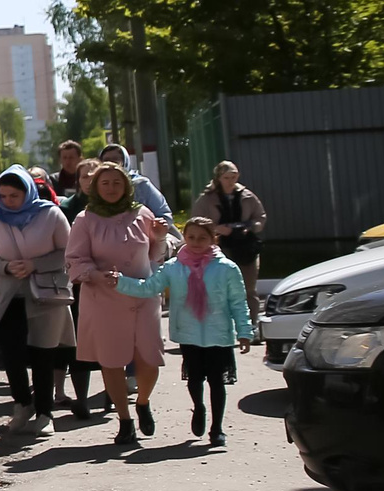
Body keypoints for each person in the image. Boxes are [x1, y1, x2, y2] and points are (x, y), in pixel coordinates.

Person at [111, 217, 255, 447]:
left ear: (213, 239)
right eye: (191, 237)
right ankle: (198, 407)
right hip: (189, 333)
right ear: (184, 238)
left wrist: (245, 331)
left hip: (219, 334)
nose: (196, 242)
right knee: (195, 379)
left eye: (202, 238)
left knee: (217, 382)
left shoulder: (226, 268)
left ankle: (217, 429)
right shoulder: (174, 267)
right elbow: (149, 287)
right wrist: (120, 282)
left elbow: (238, 302)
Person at [65, 161, 171, 450]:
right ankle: (124, 420)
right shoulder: (85, 219)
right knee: (111, 360)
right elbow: (75, 259)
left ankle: (143, 401)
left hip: (142, 294)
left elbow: (156, 254)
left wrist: (161, 236)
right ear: (95, 188)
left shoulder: (142, 213)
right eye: (105, 183)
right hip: (104, 298)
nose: (111, 188)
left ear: (126, 186)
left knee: (149, 357)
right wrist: (96, 275)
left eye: (117, 182)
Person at [0, 168, 75, 426]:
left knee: (43, 353)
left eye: (14, 195)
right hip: (10, 295)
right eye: (3, 196)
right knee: (8, 348)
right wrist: (7, 267)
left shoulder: (51, 214)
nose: (9, 201)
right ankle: (22, 403)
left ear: (27, 192)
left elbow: (68, 252)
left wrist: (35, 264)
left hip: (46, 294)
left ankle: (45, 414)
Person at [199, 161, 269, 324]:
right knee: (221, 289)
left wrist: (251, 227)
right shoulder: (207, 198)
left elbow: (260, 216)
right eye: (226, 177)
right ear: (218, 178)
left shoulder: (247, 196)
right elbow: (197, 222)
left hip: (245, 246)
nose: (230, 181)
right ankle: (224, 325)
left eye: (234, 177)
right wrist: (216, 229)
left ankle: (251, 324)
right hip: (219, 247)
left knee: (248, 289)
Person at [96, 143, 172, 219]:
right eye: (106, 160)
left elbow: (163, 213)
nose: (111, 163)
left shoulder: (141, 185)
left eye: (115, 159)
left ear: (125, 161)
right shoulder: (95, 186)